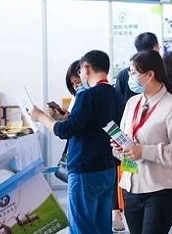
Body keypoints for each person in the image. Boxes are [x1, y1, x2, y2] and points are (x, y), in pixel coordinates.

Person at [30, 50, 124, 234]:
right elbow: (98, 126)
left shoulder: (87, 95)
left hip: (85, 170)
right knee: (102, 227)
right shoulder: (114, 94)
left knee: (82, 228)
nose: (80, 78)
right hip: (107, 168)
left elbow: (64, 131)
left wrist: (40, 116)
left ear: (86, 68)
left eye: (80, 72)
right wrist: (69, 118)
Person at [113, 50, 172, 234]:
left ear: (149, 75)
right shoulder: (132, 103)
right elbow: (127, 142)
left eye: (133, 73)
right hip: (131, 186)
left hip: (161, 188)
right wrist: (120, 149)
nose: (130, 77)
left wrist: (145, 151)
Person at [116, 33, 161, 104]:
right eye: (133, 73)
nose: (132, 74)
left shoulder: (123, 74)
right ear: (155, 48)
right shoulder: (162, 72)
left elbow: (118, 101)